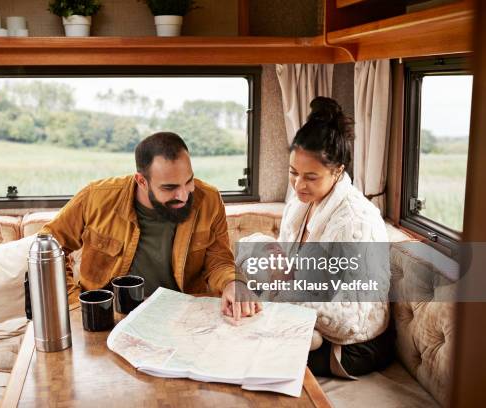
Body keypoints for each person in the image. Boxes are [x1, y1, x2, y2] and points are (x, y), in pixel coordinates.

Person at [237, 97, 394, 377]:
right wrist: (276, 267)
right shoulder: (301, 203)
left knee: (253, 352)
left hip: (354, 343)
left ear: (338, 171)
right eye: (293, 172)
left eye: (311, 177)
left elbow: (350, 319)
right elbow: (292, 273)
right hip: (305, 310)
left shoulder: (356, 222)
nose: (298, 184)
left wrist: (281, 290)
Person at [40, 131, 261, 321]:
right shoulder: (96, 197)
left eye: (189, 181)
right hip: (110, 319)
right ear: (142, 181)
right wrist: (74, 303)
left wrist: (234, 282)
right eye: (170, 188)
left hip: (182, 318)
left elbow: (218, 260)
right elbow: (46, 245)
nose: (184, 195)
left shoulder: (209, 199)